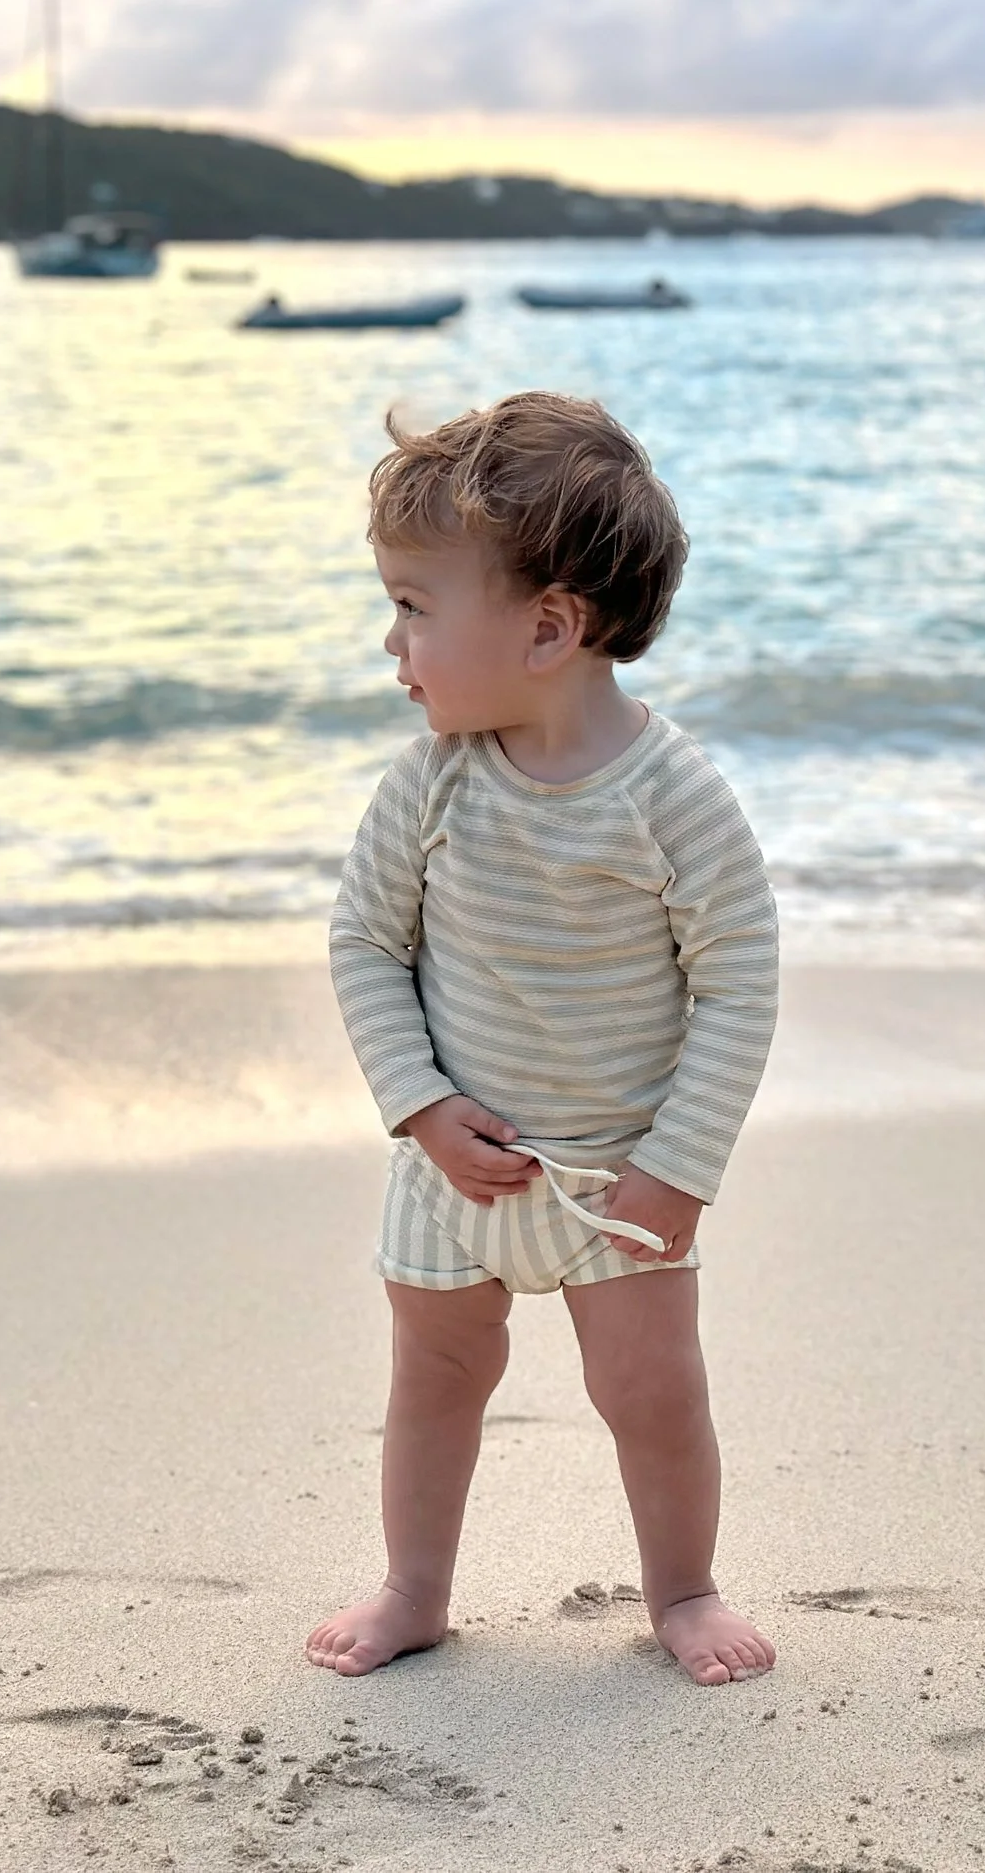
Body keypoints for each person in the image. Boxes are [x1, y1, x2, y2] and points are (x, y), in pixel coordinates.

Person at [305, 392, 779, 1685]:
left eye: (414, 605)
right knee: (436, 1379)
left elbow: (738, 982)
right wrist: (417, 1106)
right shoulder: (431, 782)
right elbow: (365, 944)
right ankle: (414, 1587)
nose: (390, 640)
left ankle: (684, 1589)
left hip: (614, 1181)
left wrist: (678, 1168)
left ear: (549, 627)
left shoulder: (672, 796)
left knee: (652, 1395)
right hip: (451, 1171)